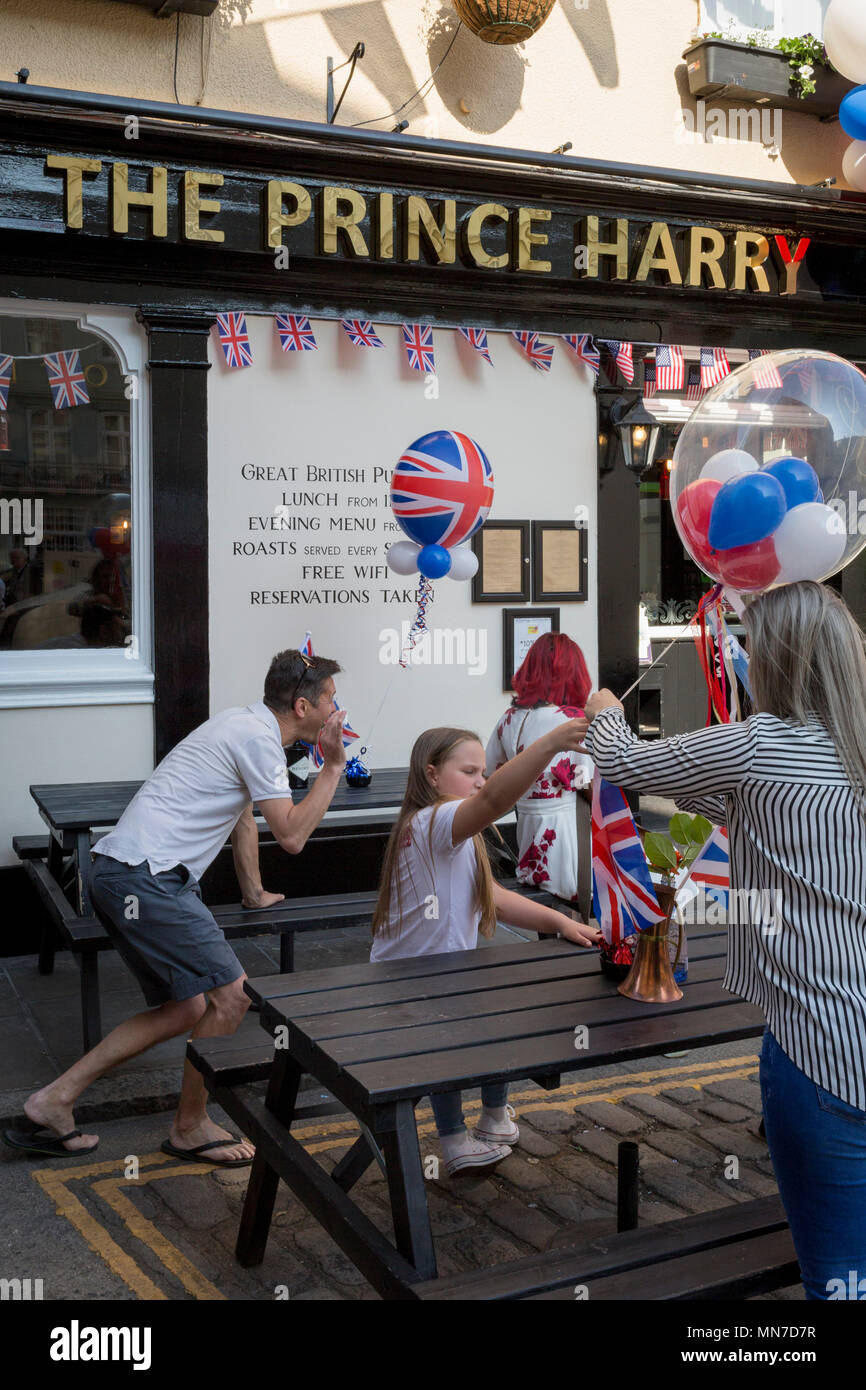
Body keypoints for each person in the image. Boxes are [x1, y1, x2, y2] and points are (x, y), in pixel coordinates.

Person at [581, 581, 866, 1301]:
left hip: (819, 1051)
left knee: (840, 1283)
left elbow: (628, 764)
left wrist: (605, 712)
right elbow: (745, 807)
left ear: (777, 659)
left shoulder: (761, 746)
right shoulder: (850, 755)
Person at [3, 649, 347, 1166]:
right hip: (148, 881)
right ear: (303, 706)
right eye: (331, 701)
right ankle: (189, 1126)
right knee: (230, 999)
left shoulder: (242, 724)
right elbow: (292, 834)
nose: (337, 710)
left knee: (185, 1008)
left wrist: (252, 892)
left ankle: (53, 1101)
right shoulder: (258, 739)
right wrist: (333, 766)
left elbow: (242, 816)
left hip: (124, 875)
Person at [371, 724, 603, 1177]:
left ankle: (495, 1118)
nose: (480, 780)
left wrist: (560, 921)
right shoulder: (433, 820)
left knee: (495, 1004)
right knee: (457, 1024)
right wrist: (553, 742)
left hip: (434, 974)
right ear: (432, 774)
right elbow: (495, 800)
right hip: (407, 984)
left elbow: (490, 896)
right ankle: (454, 1140)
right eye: (470, 771)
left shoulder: (444, 827)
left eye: (484, 771)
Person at [486, 633, 594, 901]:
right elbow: (586, 783)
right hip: (566, 828)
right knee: (577, 901)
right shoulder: (573, 720)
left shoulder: (508, 718)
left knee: (541, 899)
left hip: (525, 825)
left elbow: (491, 771)